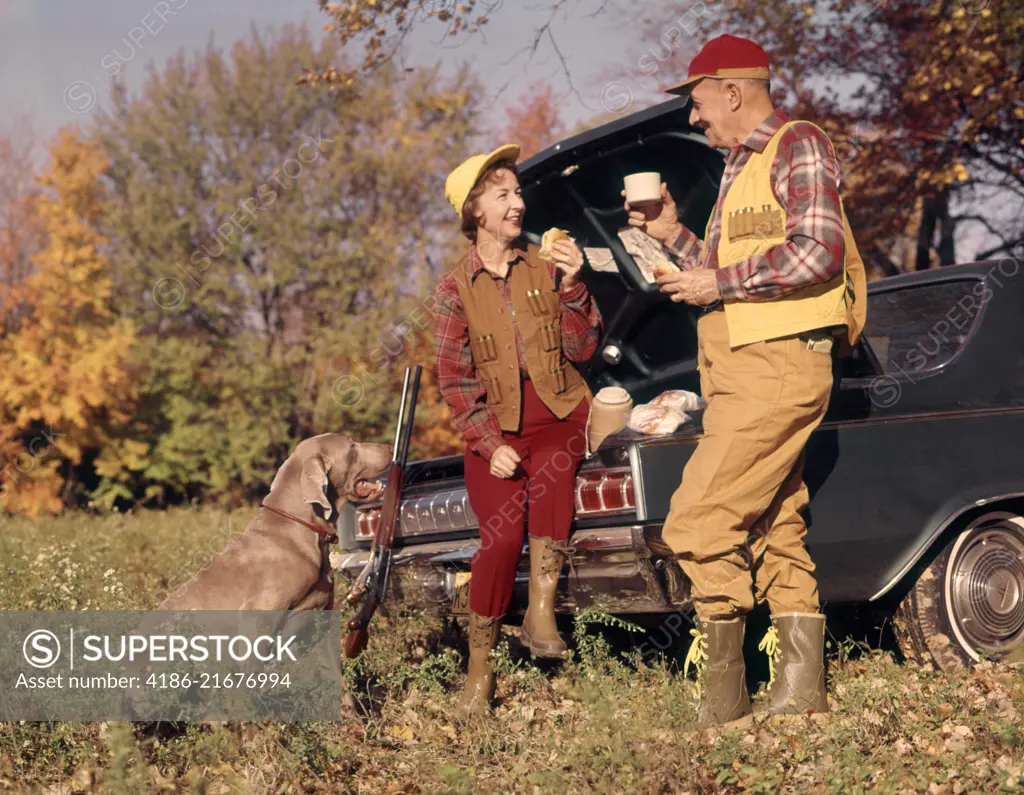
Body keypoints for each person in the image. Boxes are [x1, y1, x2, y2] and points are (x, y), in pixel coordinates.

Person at [623, 34, 867, 728]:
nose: (695, 118)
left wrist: (716, 280)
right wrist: (673, 236)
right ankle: (798, 694)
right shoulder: (738, 166)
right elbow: (744, 270)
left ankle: (723, 699)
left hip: (780, 363)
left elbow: (817, 252)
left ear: (731, 90)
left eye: (698, 102)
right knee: (777, 519)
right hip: (737, 369)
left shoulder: (799, 143)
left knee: (697, 518)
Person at [432, 144, 603, 714]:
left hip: (559, 411)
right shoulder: (454, 289)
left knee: (554, 482)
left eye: (518, 192)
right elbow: (455, 383)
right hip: (497, 427)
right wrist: (489, 444)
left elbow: (583, 347)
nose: (518, 202)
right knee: (500, 539)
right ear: (475, 211)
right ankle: (479, 674)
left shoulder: (545, 268)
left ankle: (541, 613)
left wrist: (576, 284)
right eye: (502, 194)